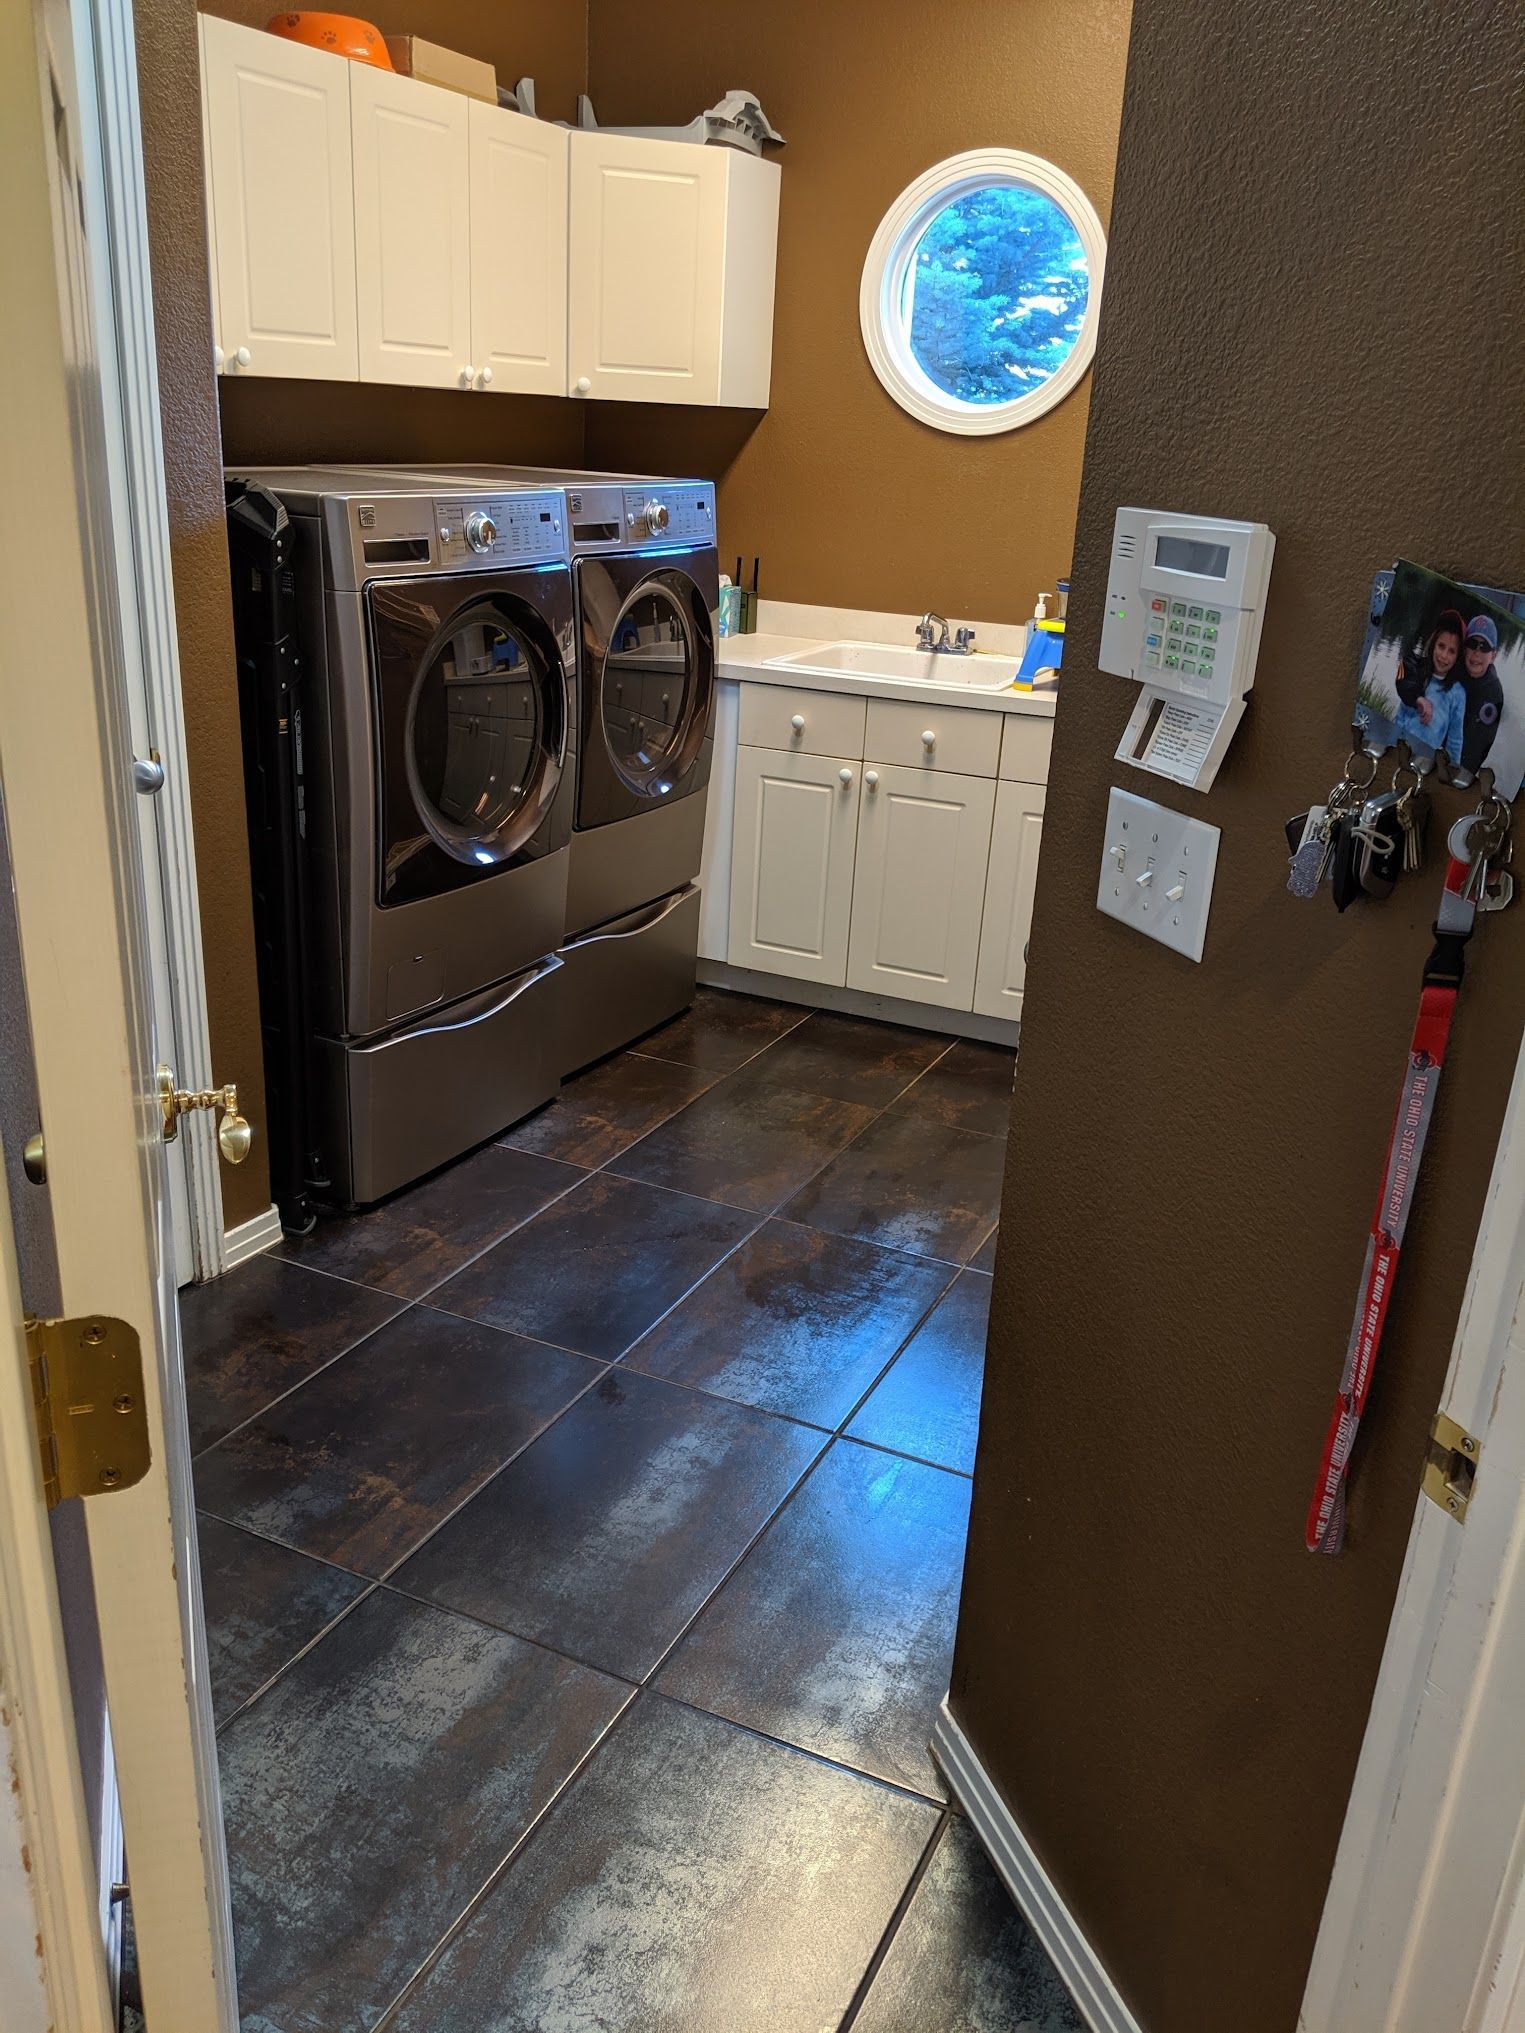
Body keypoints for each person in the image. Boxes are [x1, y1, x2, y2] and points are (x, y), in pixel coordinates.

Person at [1392, 607, 1467, 768]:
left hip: (1425, 762)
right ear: (1433, 644)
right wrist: (1419, 699)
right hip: (1398, 747)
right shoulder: (1416, 670)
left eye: (1452, 651)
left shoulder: (1458, 693)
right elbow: (1402, 680)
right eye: (1441, 646)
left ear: (1457, 657)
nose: (1444, 656)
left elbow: (1455, 739)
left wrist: (1452, 769)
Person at [1458, 615, 1506, 776]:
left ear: (1493, 655)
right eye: (1472, 644)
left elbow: (1477, 748)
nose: (1477, 652)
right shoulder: (1453, 668)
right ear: (1465, 648)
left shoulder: (1493, 694)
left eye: (1484, 647)